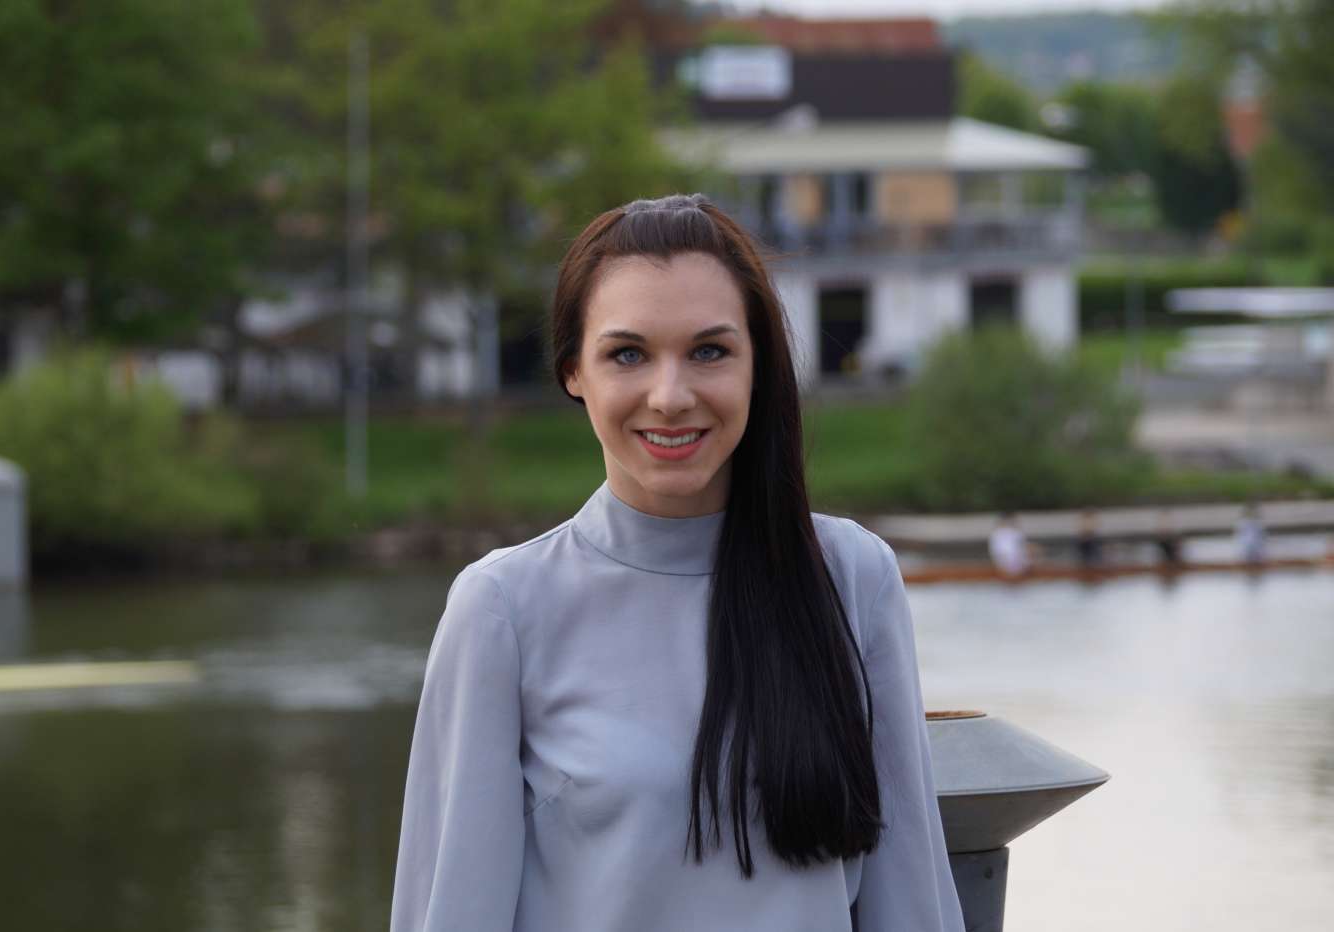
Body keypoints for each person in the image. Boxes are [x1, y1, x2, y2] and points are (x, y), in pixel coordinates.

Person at [389, 195, 964, 932]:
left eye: (709, 351)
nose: (670, 397)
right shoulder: (503, 608)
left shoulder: (853, 577)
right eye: (628, 354)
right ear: (573, 371)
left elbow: (910, 897)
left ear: (758, 365)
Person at [987, 512, 1030, 579]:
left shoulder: (1016, 532)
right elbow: (998, 552)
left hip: (1016, 563)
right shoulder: (997, 534)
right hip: (1007, 563)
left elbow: (1023, 548)